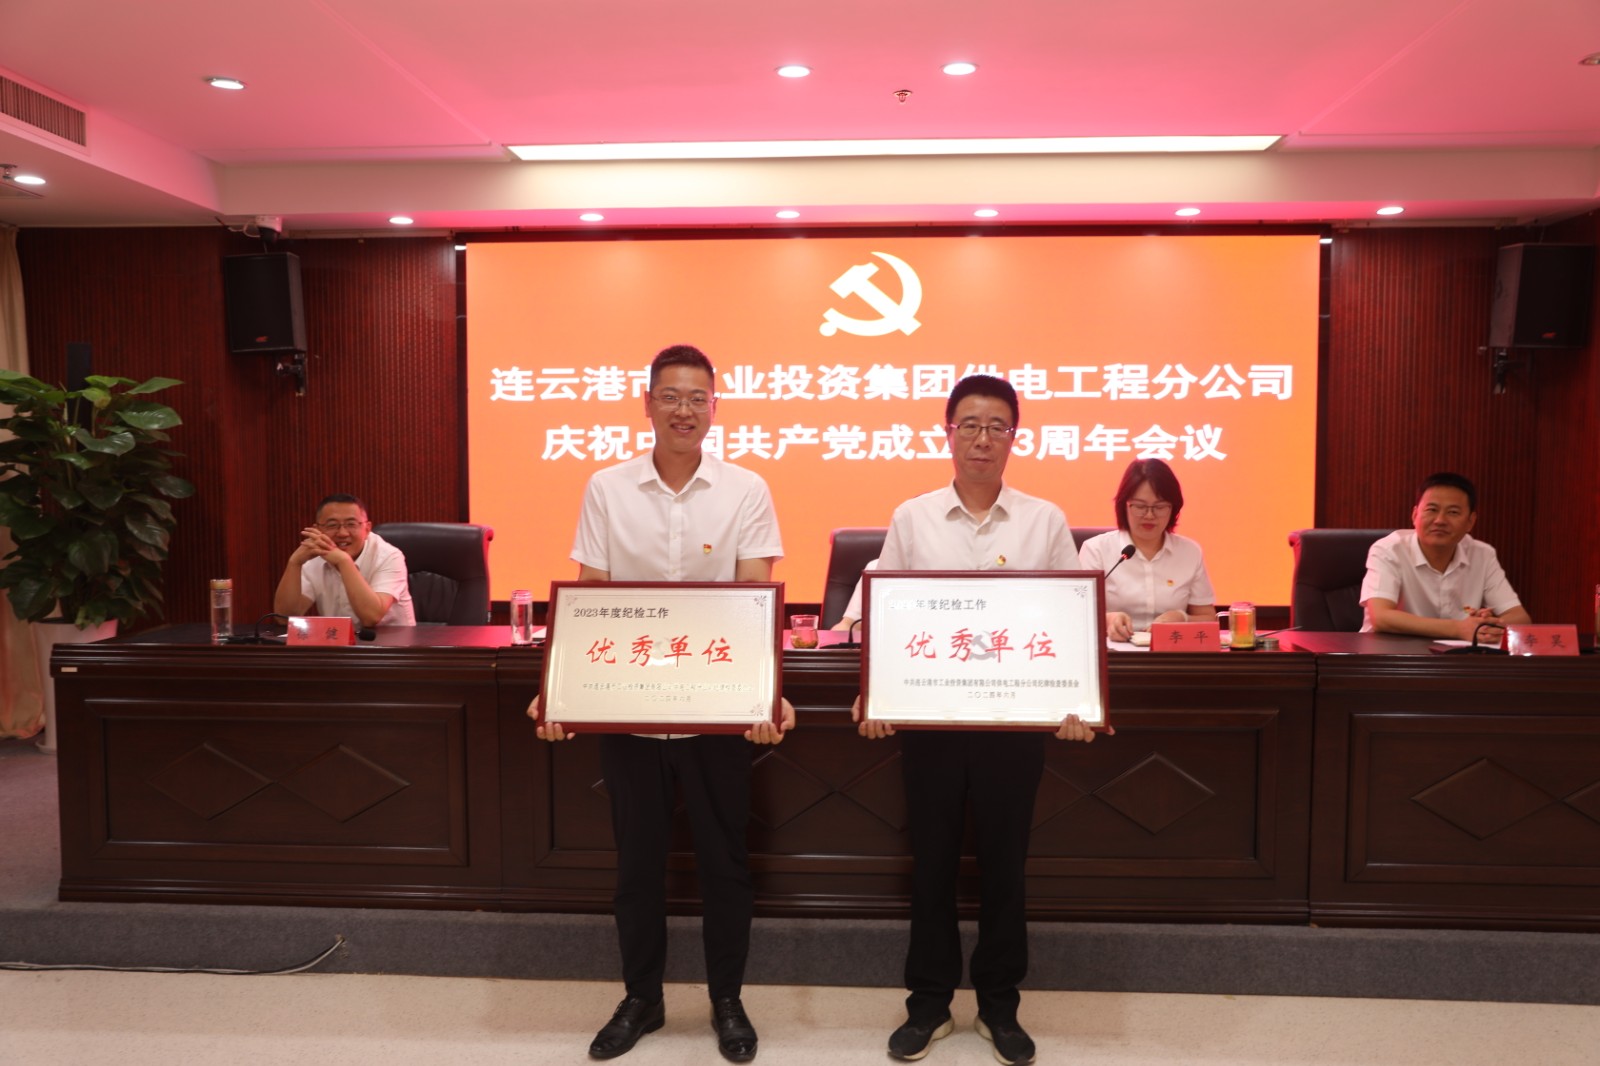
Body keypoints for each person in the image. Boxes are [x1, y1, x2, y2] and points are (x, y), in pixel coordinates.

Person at [527, 344, 792, 1063]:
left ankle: (727, 999)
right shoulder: (607, 488)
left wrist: (769, 692)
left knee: (724, 865)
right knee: (637, 867)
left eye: (698, 398)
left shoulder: (746, 489)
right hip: (631, 710)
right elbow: (591, 596)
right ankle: (641, 997)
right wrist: (559, 687)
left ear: (715, 407)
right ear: (647, 405)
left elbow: (753, 599)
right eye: (671, 396)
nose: (684, 410)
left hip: (716, 713)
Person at [851, 374, 1107, 1066]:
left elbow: (1073, 619)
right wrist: (874, 692)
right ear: (948, 433)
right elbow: (877, 613)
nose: (982, 439)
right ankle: (929, 1004)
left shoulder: (1044, 521)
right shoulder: (913, 518)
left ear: (1014, 438)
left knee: (1004, 867)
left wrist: (1078, 704)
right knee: (931, 865)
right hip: (930, 726)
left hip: (1011, 728)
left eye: (997, 426)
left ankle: (999, 1005)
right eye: (969, 424)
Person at [1360, 472, 1529, 638]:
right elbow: (1381, 617)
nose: (1440, 520)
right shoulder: (1388, 550)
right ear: (1415, 515)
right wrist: (1459, 629)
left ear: (1470, 521)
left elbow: (1519, 618)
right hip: (1389, 652)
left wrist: (1485, 625)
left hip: (1455, 654)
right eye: (1432, 510)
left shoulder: (1482, 555)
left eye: (1453, 512)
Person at [1077, 458, 1217, 642]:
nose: (1149, 515)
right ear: (1124, 505)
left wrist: (1182, 618)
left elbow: (1208, 618)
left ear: (1173, 508)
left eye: (1160, 507)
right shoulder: (1096, 550)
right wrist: (1108, 620)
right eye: (1140, 506)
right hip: (1113, 653)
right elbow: (1076, 613)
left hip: (1171, 651)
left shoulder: (1189, 552)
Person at [272, 494, 415, 627]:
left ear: (367, 529)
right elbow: (284, 618)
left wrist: (344, 561)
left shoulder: (389, 556)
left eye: (351, 524)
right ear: (318, 530)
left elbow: (371, 617)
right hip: (337, 642)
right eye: (332, 525)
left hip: (392, 643)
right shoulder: (315, 555)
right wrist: (294, 563)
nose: (342, 533)